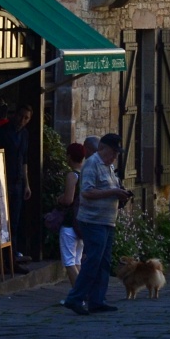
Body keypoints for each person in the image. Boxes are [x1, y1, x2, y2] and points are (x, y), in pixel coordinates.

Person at [63, 134, 129, 315]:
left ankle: (97, 300)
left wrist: (120, 193)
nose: (115, 156)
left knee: (103, 262)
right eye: (113, 152)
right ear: (103, 148)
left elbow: (108, 188)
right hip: (93, 221)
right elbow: (87, 192)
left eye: (117, 153)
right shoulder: (93, 164)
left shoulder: (109, 166)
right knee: (93, 261)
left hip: (107, 220)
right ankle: (75, 298)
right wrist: (113, 192)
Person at [0, 105, 33, 269]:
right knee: (1, 220)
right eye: (21, 116)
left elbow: (24, 160)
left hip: (18, 182)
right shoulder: (1, 133)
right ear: (15, 114)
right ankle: (0, 259)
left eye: (26, 118)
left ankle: (11, 259)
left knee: (13, 222)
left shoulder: (24, 134)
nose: (22, 120)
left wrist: (27, 184)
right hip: (2, 180)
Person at [56, 141, 86, 287]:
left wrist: (59, 198)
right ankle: (82, 292)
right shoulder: (85, 174)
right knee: (77, 260)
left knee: (68, 261)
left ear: (69, 156)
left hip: (70, 222)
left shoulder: (72, 175)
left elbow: (68, 200)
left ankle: (77, 294)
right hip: (82, 221)